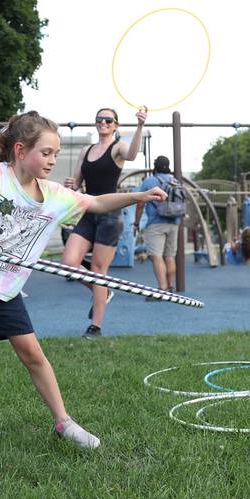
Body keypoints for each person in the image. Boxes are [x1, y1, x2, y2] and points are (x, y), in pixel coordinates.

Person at [0, 110, 167, 465]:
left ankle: (63, 423)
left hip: (4, 286)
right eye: (46, 153)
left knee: (34, 355)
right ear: (21, 150)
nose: (53, 161)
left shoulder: (55, 196)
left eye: (56, 154)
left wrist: (137, 197)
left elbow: (97, 202)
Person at [62, 107, 148, 338]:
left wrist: (139, 126)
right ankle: (103, 291)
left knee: (99, 270)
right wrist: (71, 184)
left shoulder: (118, 147)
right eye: (99, 119)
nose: (103, 123)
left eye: (108, 120)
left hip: (110, 214)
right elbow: (77, 183)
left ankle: (95, 326)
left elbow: (131, 154)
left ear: (116, 125)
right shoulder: (85, 150)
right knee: (69, 263)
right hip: (88, 210)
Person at [133, 155, 183, 294]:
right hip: (174, 222)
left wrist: (136, 222)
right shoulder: (176, 181)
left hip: (156, 223)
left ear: (155, 167)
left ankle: (162, 288)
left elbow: (140, 203)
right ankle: (171, 286)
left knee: (156, 256)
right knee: (170, 256)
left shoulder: (150, 182)